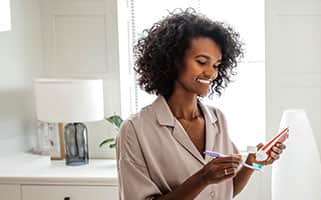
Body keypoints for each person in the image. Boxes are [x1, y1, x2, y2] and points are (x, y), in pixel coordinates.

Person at [116, 9, 286, 200]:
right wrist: (202, 178)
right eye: (202, 62)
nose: (211, 74)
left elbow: (226, 190)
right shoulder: (135, 129)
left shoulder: (217, 119)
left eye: (216, 65)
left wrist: (252, 164)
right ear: (173, 61)